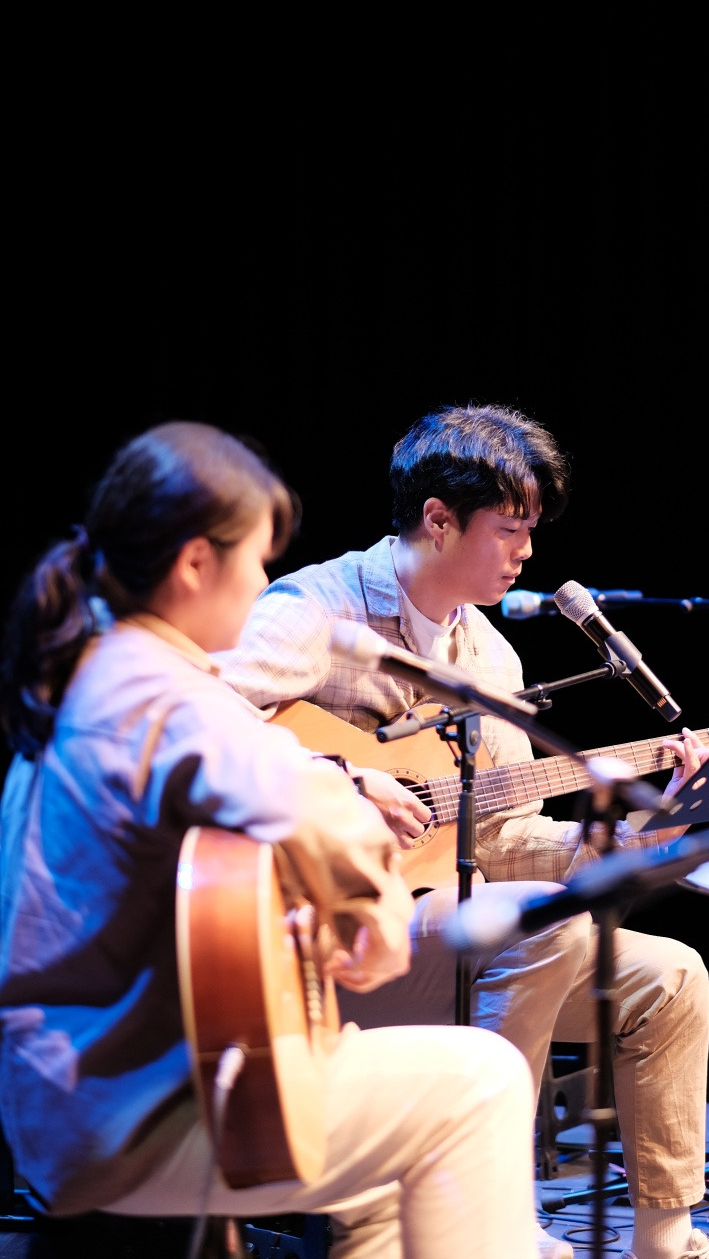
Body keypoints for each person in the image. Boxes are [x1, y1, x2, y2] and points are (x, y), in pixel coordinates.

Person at [0, 420, 545, 1259]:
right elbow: (313, 816)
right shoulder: (160, 694)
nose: (265, 584)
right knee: (483, 1077)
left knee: (381, 1164)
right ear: (195, 565)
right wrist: (366, 915)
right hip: (134, 1111)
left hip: (74, 1102)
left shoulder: (95, 673)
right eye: (257, 559)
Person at [217, 403, 709, 1259]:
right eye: (510, 528)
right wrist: (343, 777)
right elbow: (197, 721)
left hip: (440, 926)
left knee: (672, 977)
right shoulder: (315, 608)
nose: (526, 551)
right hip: (315, 935)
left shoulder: (492, 658)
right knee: (541, 923)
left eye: (531, 530)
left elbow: (503, 842)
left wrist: (658, 820)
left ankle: (664, 1237)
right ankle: (491, 1219)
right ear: (438, 519)